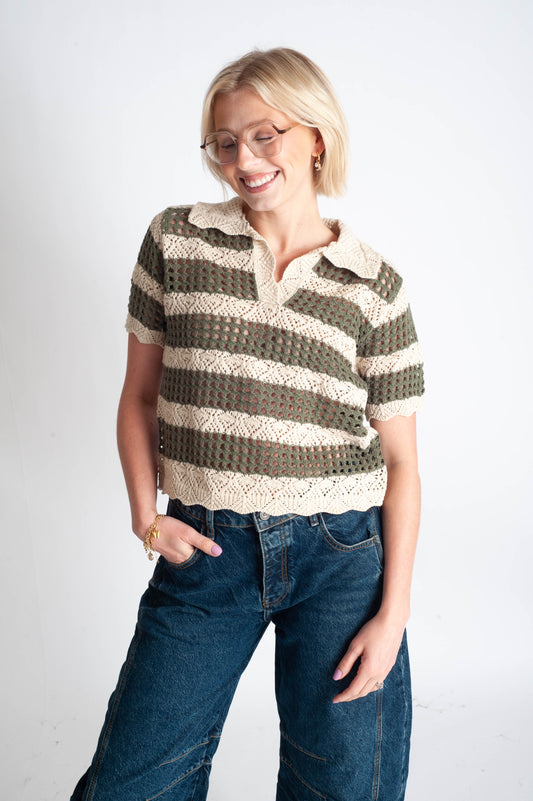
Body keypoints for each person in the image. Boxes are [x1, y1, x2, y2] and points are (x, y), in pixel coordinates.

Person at [71, 47, 424, 801]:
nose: (244, 158)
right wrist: (145, 518)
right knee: (131, 784)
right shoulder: (177, 241)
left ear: (315, 137)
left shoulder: (373, 286)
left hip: (341, 559)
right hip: (206, 549)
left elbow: (401, 464)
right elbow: (138, 397)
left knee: (340, 789)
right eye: (224, 142)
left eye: (266, 135)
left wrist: (392, 614)